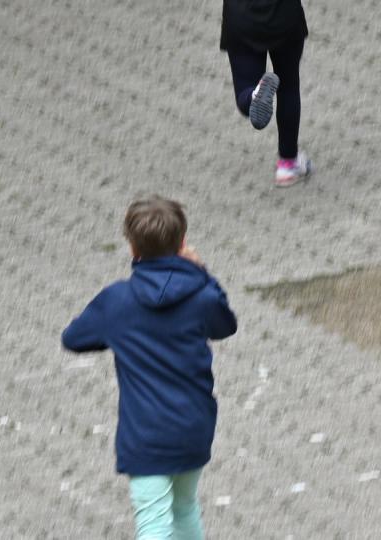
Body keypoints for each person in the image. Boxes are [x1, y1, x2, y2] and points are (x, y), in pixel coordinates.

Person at [61, 196, 238, 539]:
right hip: (193, 427)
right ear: (182, 242)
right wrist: (203, 274)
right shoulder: (201, 295)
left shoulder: (116, 301)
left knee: (152, 522)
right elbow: (225, 325)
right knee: (185, 508)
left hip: (145, 436)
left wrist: (116, 335)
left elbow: (73, 338)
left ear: (132, 247)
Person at [221, 0, 311, 187]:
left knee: (245, 88)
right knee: (288, 86)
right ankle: (287, 165)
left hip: (241, 18)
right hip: (284, 19)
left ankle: (253, 95)